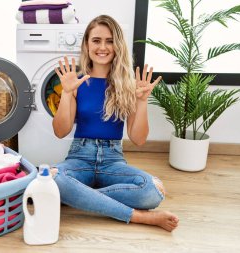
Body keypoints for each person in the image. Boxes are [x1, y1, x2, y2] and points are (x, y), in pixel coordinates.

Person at [51, 15, 179, 232]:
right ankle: (139, 217)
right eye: (96, 40)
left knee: (153, 190)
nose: (103, 47)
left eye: (109, 41)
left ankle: (77, 196)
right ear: (87, 45)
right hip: (79, 158)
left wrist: (141, 100)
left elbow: (138, 139)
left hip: (113, 162)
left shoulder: (128, 85)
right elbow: (60, 132)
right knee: (54, 178)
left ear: (118, 45)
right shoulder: (77, 81)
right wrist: (67, 93)